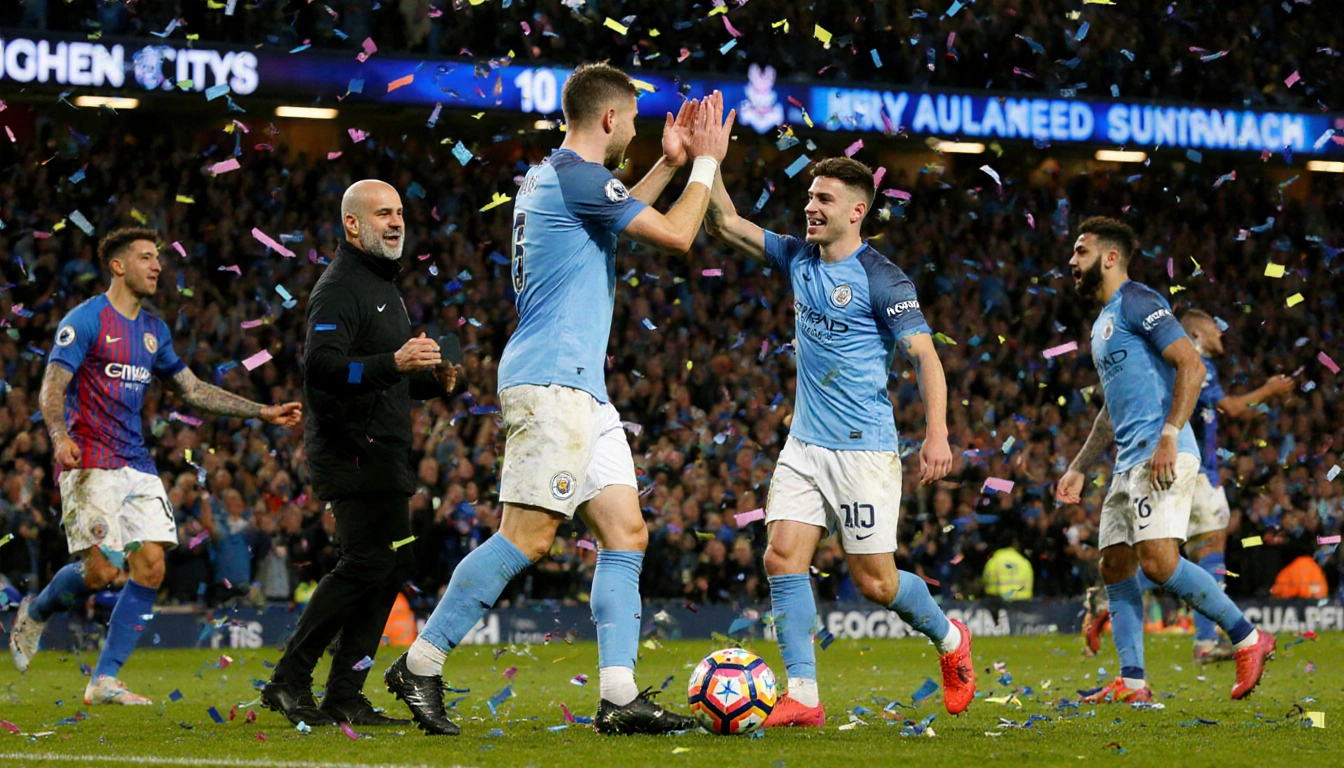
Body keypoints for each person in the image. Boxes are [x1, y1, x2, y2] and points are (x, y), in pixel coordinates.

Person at [383, 62, 735, 736]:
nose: (635, 127)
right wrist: (704, 166)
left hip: (582, 390)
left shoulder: (559, 175)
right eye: (632, 118)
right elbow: (680, 236)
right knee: (529, 537)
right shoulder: (576, 178)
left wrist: (664, 165)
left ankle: (618, 695)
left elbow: (608, 213)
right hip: (552, 384)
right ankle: (421, 664)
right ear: (608, 119)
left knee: (626, 532)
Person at [701, 156, 974, 728]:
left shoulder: (883, 278)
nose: (810, 207)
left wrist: (937, 433)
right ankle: (803, 695)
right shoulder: (797, 255)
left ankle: (950, 638)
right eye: (809, 196)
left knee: (875, 582)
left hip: (863, 450)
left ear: (857, 211)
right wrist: (711, 162)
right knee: (781, 556)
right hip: (804, 444)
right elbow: (724, 223)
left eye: (824, 199)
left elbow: (925, 355)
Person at [8, 227, 303, 705]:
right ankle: (37, 612)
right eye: (147, 257)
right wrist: (59, 437)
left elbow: (192, 390)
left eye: (159, 259)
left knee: (150, 568)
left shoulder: (153, 331)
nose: (157, 266)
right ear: (118, 265)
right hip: (90, 461)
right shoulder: (85, 320)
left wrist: (261, 412)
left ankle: (104, 678)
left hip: (137, 462)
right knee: (101, 573)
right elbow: (52, 387)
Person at [260, 180, 459, 729]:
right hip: (350, 454)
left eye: (399, 212)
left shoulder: (382, 285)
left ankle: (345, 693)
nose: (396, 222)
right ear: (353, 225)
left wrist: (428, 381)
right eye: (383, 213)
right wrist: (394, 364)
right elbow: (323, 368)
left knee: (392, 563)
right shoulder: (340, 287)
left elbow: (381, 376)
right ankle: (288, 680)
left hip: (384, 455)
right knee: (370, 561)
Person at [1056, 216, 1276, 703]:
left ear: (1110, 257)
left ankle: (1247, 636)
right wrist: (1078, 465)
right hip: (1126, 461)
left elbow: (1191, 364)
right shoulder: (1100, 325)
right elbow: (1111, 415)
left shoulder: (1139, 300)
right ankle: (1132, 682)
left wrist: (1171, 435)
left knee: (1158, 562)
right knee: (1115, 565)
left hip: (1162, 454)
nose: (1072, 261)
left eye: (1081, 251)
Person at [1082, 310, 1297, 662]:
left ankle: (1194, 635)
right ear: (1197, 330)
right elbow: (1230, 409)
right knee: (1189, 552)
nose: (1221, 331)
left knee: (1174, 557)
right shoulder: (1194, 364)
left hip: (1192, 466)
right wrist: (1269, 391)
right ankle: (1206, 640)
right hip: (1186, 466)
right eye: (1216, 325)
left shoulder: (1187, 364)